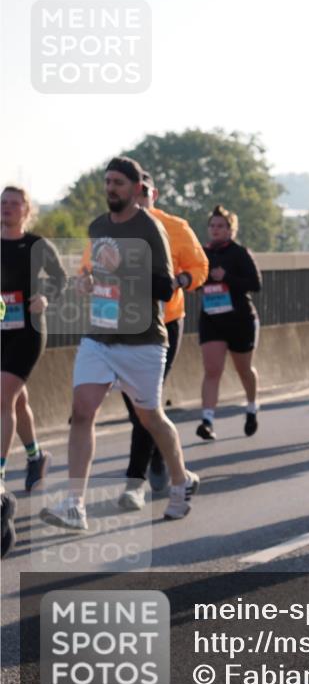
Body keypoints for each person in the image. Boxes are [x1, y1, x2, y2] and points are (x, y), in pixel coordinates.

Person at [40, 157, 198, 530]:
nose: (111, 188)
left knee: (151, 419)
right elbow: (96, 273)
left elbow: (163, 287)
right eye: (108, 182)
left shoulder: (151, 229)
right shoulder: (98, 226)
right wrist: (87, 283)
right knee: (82, 412)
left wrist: (123, 268)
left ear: (136, 189)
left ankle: (180, 483)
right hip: (100, 336)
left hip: (142, 341)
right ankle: (74, 504)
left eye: (119, 183)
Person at [118, 172, 208, 509]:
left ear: (152, 193)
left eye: (143, 192)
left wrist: (181, 278)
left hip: (165, 323)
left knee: (146, 401)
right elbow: (89, 265)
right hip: (123, 324)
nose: (138, 198)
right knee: (138, 408)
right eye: (132, 191)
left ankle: (134, 482)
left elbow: (200, 265)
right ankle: (161, 455)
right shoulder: (113, 227)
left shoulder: (175, 227)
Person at [1, 186, 66, 492]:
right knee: (16, 399)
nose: (7, 208)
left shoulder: (36, 244)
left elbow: (59, 278)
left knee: (3, 398)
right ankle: (35, 457)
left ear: (27, 210)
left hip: (28, 331)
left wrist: (46, 297)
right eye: (3, 203)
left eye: (14, 203)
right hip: (1, 330)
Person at [196, 205, 263, 440]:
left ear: (230, 230)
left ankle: (252, 407)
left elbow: (256, 284)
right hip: (212, 319)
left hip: (240, 319)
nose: (215, 230)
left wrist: (227, 277)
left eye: (221, 226)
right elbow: (193, 281)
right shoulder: (201, 254)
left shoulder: (240, 253)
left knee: (243, 369)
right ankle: (207, 421)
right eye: (212, 226)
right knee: (212, 370)